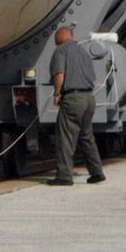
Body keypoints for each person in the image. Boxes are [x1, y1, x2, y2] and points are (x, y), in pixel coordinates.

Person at [47, 25, 105, 186]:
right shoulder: (83, 52)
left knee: (65, 137)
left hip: (73, 98)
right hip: (88, 98)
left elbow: (59, 75)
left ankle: (64, 176)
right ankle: (97, 172)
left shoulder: (61, 51)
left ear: (62, 36)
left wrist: (57, 94)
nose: (55, 39)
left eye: (56, 35)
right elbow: (94, 80)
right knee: (87, 136)